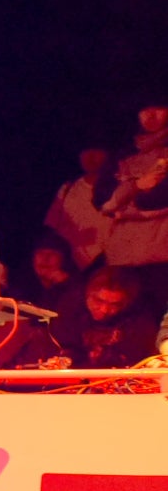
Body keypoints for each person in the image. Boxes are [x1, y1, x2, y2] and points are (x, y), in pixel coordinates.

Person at [98, 100, 168, 319]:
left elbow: (155, 201)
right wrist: (137, 185)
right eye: (145, 109)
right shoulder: (123, 155)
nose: (151, 116)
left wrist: (122, 206)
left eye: (158, 108)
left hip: (161, 260)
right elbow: (101, 200)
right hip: (122, 259)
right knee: (121, 321)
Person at [55, 267, 157, 369]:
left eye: (114, 304)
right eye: (98, 300)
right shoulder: (70, 310)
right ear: (87, 294)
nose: (104, 310)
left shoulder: (138, 321)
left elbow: (140, 360)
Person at [44, 145, 114, 273]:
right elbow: (52, 227)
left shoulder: (121, 187)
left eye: (96, 150)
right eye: (85, 150)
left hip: (108, 266)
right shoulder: (67, 188)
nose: (90, 156)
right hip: (71, 268)